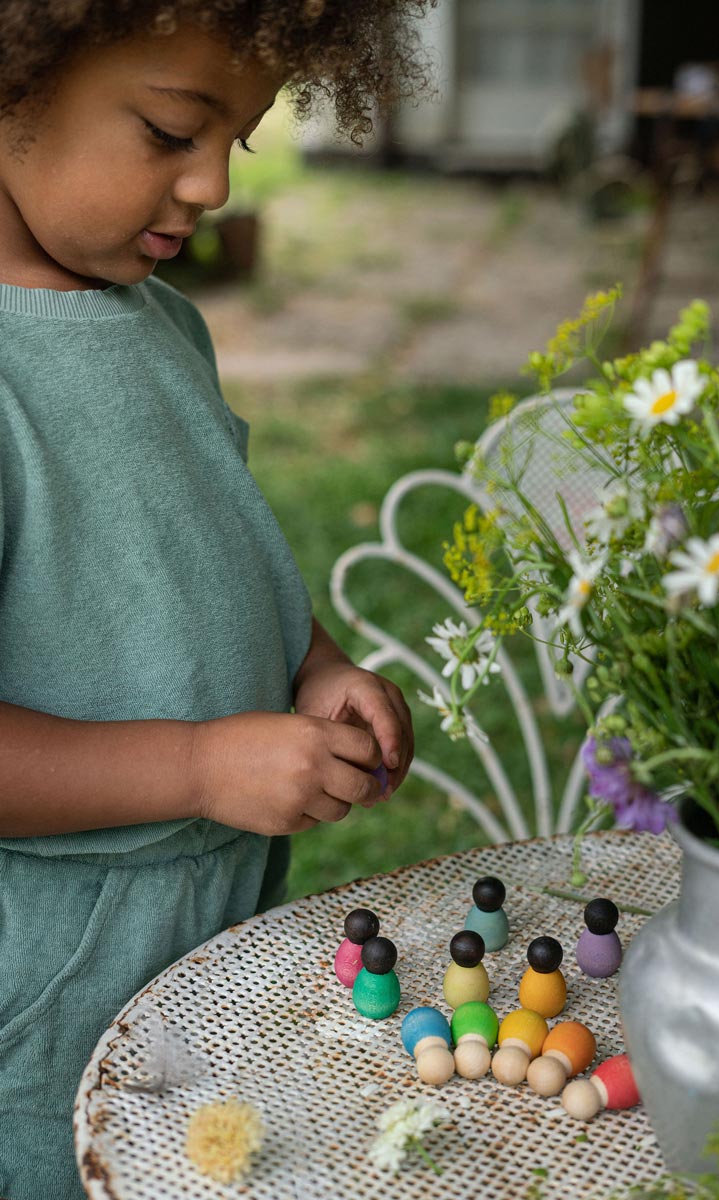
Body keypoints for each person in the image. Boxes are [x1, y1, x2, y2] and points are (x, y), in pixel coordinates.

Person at [0, 3, 431, 1196]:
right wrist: (197, 768)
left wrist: (316, 667)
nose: (212, 187)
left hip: (212, 926)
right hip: (46, 980)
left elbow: (215, 555)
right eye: (169, 130)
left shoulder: (164, 324)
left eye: (233, 143)